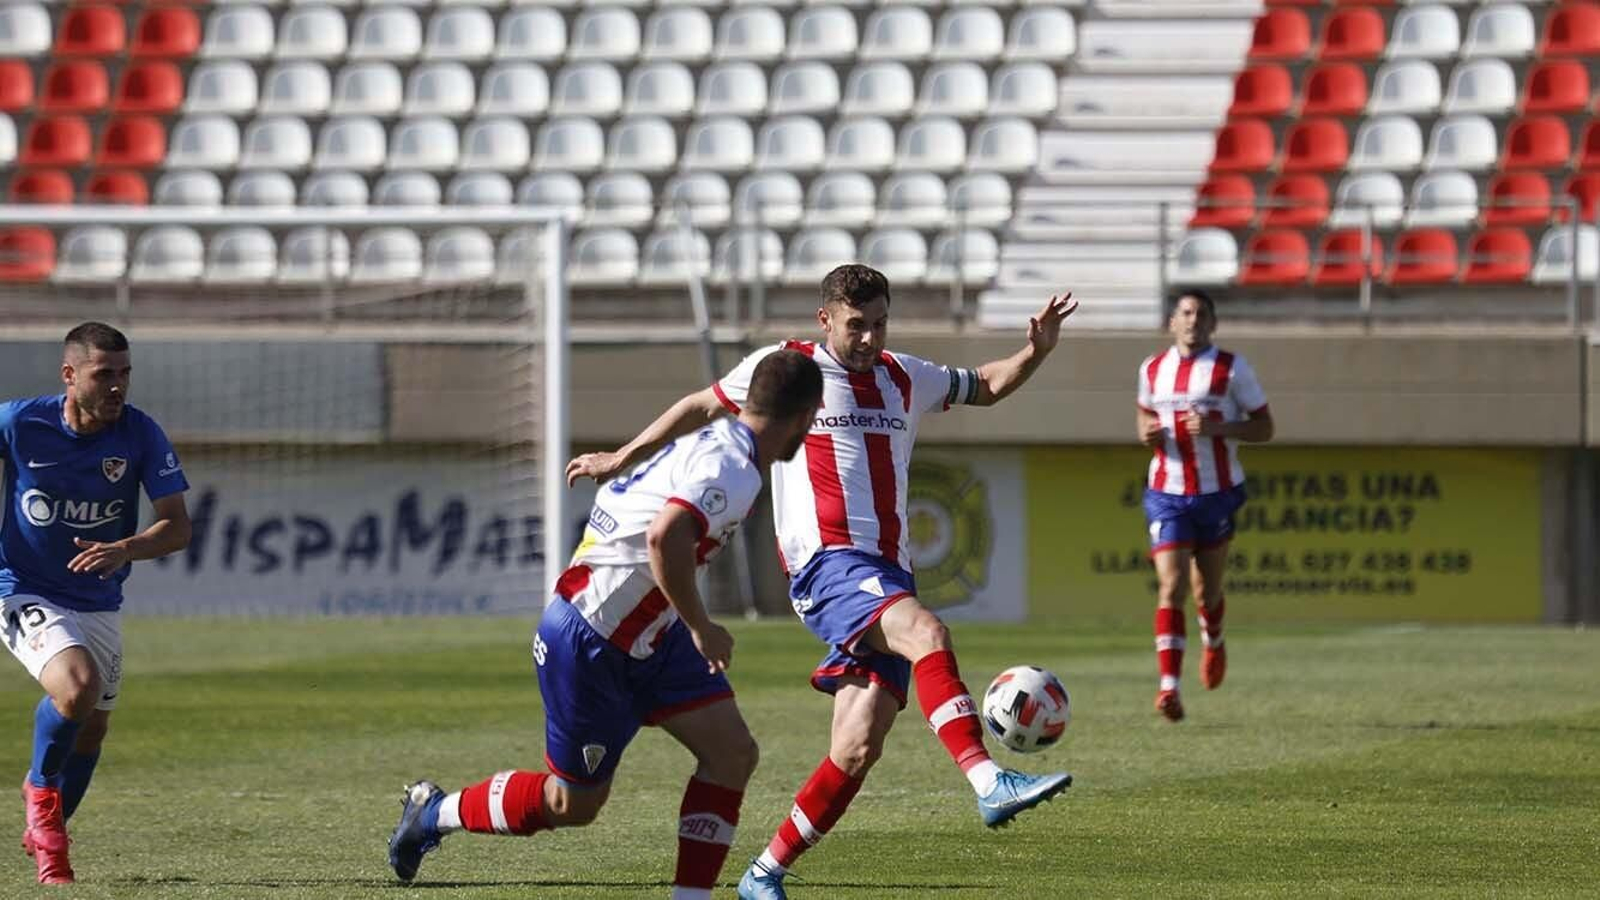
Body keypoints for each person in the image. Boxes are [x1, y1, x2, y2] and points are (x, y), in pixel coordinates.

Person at [567, 265, 1078, 900]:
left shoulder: (904, 375)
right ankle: (987, 781)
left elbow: (988, 385)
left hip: (888, 572)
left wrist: (1036, 351)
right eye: (856, 325)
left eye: (880, 324)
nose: (869, 339)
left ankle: (763, 873)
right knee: (927, 632)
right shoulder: (790, 370)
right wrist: (621, 456)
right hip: (826, 565)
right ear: (825, 319)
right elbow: (701, 404)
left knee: (857, 747)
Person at [388, 349, 825, 899]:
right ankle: (434, 813)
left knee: (732, 754)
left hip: (652, 634)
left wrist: (622, 457)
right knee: (573, 804)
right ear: (806, 416)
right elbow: (664, 537)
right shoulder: (733, 469)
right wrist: (701, 626)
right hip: (590, 638)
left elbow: (690, 427)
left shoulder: (720, 442)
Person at [0, 322, 193, 885]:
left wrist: (126, 547)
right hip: (23, 586)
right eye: (104, 374)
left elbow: (178, 526)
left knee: (91, 731)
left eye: (125, 373)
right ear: (69, 375)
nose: (117, 386)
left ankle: (48, 827)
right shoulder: (19, 423)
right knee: (77, 686)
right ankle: (41, 793)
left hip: (100, 598)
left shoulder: (139, 432)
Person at [1136, 289, 1273, 723]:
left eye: (1201, 314)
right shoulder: (1153, 368)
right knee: (1171, 586)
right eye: (1186, 312)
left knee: (1206, 591)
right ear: (1172, 322)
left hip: (1217, 493)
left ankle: (1213, 641)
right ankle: (1169, 688)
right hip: (1167, 494)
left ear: (1213, 324)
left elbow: (1265, 427)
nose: (1193, 320)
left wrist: (1220, 428)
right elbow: (1143, 417)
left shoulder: (1232, 368)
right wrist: (1146, 433)